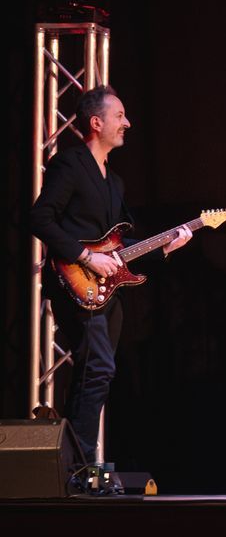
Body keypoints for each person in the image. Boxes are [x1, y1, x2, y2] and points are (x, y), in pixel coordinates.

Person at [29, 85, 191, 478]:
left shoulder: (114, 182)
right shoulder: (70, 164)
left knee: (96, 373)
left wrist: (166, 246)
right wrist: (85, 257)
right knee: (98, 368)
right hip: (74, 281)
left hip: (106, 291)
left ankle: (72, 465)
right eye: (119, 116)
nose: (127, 123)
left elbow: (118, 247)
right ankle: (81, 468)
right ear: (96, 122)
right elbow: (40, 218)